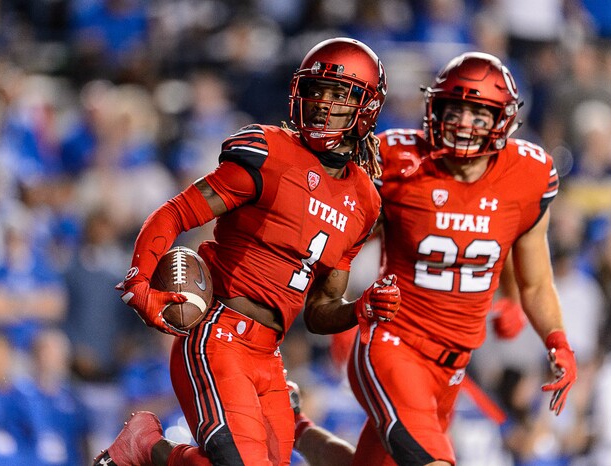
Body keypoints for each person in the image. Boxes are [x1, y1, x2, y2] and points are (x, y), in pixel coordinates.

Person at [93, 37, 401, 466]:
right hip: (219, 333)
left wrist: (360, 309)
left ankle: (143, 446)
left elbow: (320, 309)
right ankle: (149, 448)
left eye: (338, 94)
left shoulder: (365, 201)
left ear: (366, 107)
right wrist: (141, 280)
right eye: (315, 90)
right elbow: (177, 212)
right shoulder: (271, 152)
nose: (321, 103)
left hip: (269, 355)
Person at [339, 51, 577, 466]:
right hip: (393, 344)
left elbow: (535, 280)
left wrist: (556, 339)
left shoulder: (527, 174)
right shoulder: (397, 161)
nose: (464, 124)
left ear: (502, 120)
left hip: (454, 366)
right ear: (435, 107)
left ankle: (300, 430)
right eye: (455, 110)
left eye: (479, 114)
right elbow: (335, 234)